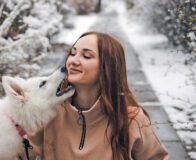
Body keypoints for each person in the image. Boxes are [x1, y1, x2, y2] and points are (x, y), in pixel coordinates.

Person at [25, 31, 169, 160]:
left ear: (107, 67)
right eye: (73, 53)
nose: (73, 61)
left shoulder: (131, 120)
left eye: (86, 56)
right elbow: (20, 153)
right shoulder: (50, 111)